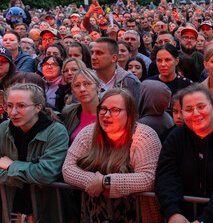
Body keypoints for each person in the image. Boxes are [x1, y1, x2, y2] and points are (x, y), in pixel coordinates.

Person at [62, 88, 162, 222]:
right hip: (95, 215)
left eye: (115, 110)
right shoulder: (89, 133)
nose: (107, 115)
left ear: (130, 114)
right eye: (103, 109)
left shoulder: (144, 136)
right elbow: (68, 168)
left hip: (136, 216)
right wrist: (91, 181)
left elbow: (149, 178)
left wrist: (105, 182)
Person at [155, 84, 213, 223]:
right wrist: (172, 213)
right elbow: (166, 176)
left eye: (201, 107)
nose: (195, 113)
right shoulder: (175, 137)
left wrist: (205, 220)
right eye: (188, 109)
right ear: (181, 113)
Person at [0, 83, 69, 222]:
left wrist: (11, 166)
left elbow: (46, 173)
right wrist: (29, 176)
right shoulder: (3, 128)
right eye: (9, 106)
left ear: (38, 107)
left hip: (45, 211)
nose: (13, 112)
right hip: (10, 209)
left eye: (21, 106)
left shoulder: (56, 132)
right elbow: (39, 174)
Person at [61, 69, 101, 144]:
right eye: (77, 85)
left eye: (87, 84)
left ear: (98, 87)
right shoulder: (68, 112)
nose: (82, 89)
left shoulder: (109, 112)